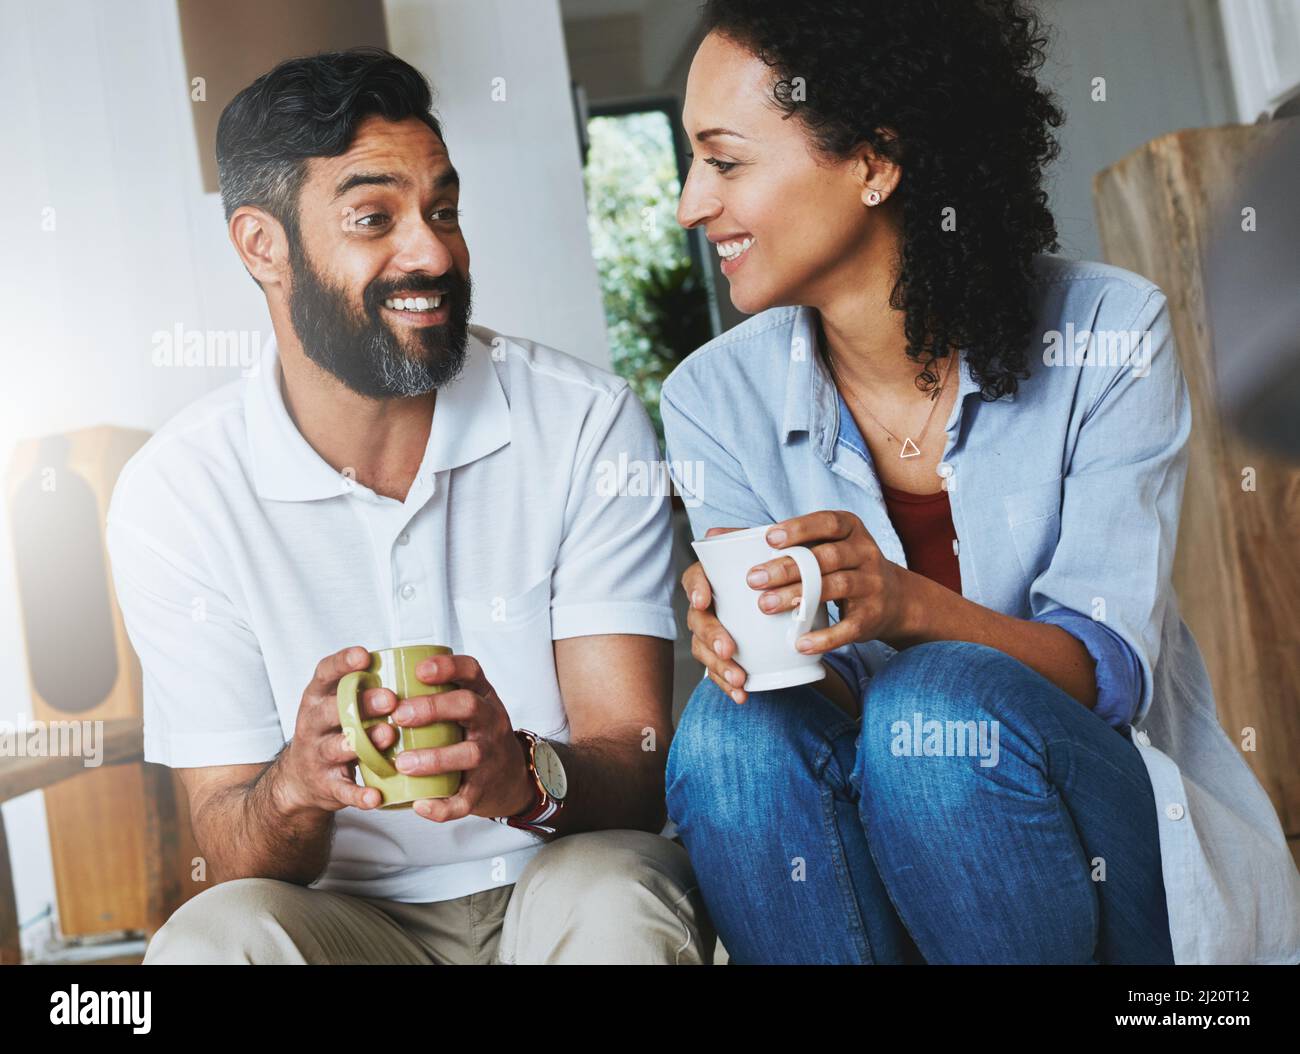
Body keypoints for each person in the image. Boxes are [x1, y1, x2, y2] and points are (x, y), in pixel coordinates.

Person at [660, 0, 1300, 964]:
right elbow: (806, 720)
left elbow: (1109, 673)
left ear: (874, 163)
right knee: (727, 732)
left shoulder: (1107, 333)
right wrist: (746, 642)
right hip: (884, 856)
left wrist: (906, 607)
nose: (690, 204)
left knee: (938, 710)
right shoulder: (710, 395)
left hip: (1096, 839)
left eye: (726, 161)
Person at [106, 47, 711, 965]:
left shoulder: (584, 423)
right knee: (211, 941)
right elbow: (229, 851)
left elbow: (633, 771)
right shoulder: (177, 493)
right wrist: (294, 787)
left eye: (443, 210)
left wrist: (524, 774)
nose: (430, 249)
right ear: (262, 247)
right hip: (348, 920)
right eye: (373, 216)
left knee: (616, 893)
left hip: (556, 875)